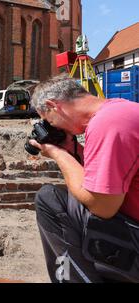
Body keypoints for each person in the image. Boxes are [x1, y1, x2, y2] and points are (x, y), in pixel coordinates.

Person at [29, 74, 139, 283]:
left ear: (53, 105)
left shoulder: (107, 124)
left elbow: (102, 206)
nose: (55, 128)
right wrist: (74, 151)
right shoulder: (120, 110)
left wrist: (57, 153)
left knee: (49, 199)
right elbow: (106, 177)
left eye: (50, 121)